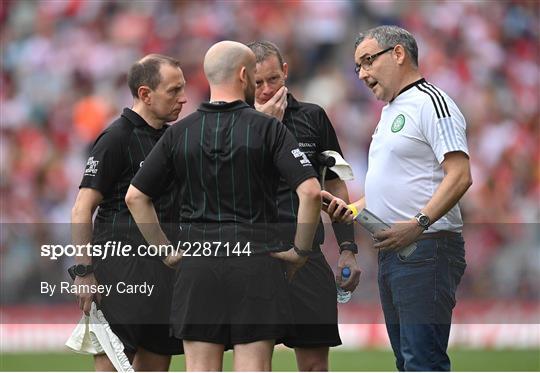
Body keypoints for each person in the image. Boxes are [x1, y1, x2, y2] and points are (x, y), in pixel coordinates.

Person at [125, 41, 322, 371]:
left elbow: (135, 197)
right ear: (244, 75)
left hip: (198, 265)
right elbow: (312, 192)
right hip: (256, 263)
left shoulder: (179, 133)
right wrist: (300, 252)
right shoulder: (268, 128)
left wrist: (166, 251)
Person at [324, 25, 472, 371]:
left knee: (422, 362)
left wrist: (418, 225)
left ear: (399, 54)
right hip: (397, 251)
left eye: (367, 61)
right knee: (408, 363)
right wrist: (349, 209)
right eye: (357, 66)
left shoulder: (431, 102)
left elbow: (460, 174)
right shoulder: (390, 111)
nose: (361, 74)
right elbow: (393, 188)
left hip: (427, 248)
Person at [247, 41, 361, 371]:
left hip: (308, 254)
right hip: (255, 255)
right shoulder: (235, 122)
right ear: (244, 81)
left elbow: (337, 183)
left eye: (273, 79)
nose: (267, 89)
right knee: (255, 363)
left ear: (285, 71)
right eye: (258, 83)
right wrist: (261, 124)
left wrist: (348, 248)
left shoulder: (313, 116)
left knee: (314, 364)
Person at [70, 54, 187, 371]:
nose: (183, 98)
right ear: (146, 94)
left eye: (183, 89)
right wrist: (84, 272)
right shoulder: (116, 138)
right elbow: (82, 208)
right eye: (173, 91)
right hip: (121, 272)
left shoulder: (173, 139)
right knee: (114, 365)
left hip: (165, 274)